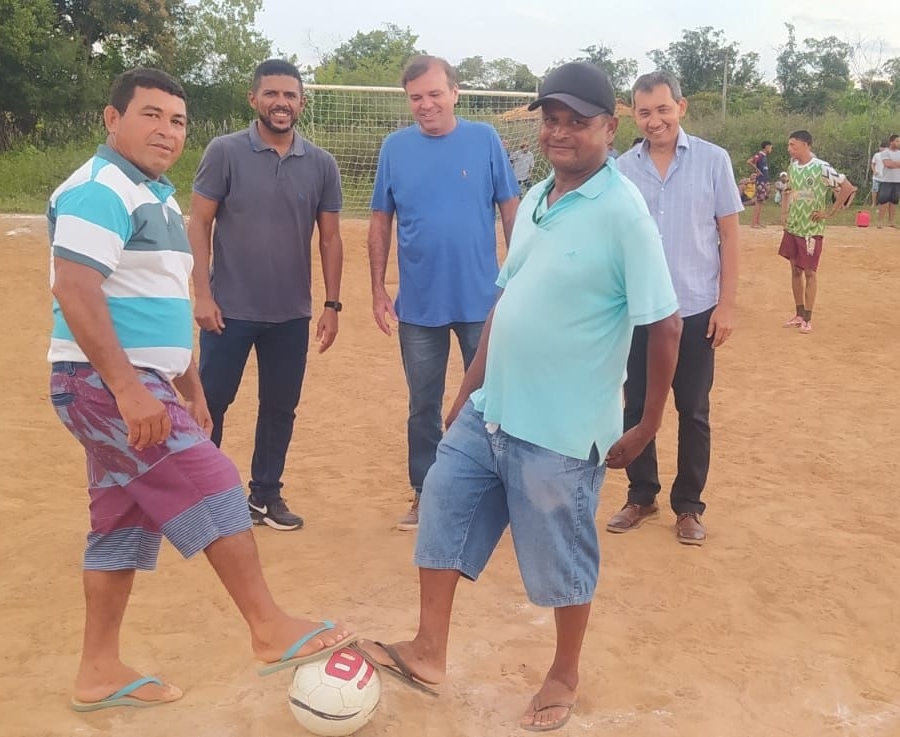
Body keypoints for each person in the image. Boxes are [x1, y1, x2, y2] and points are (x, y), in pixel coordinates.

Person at [353, 61, 683, 733]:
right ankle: (428, 649)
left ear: (609, 129)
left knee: (562, 557)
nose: (560, 132)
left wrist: (647, 424)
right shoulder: (537, 198)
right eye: (551, 119)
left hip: (562, 428)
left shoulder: (624, 212)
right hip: (492, 407)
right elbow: (506, 298)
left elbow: (665, 321)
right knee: (442, 503)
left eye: (577, 121)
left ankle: (564, 670)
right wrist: (468, 388)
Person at [46, 68, 354, 713]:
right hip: (105, 384)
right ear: (112, 118)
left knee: (122, 524)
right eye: (151, 115)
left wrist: (186, 380)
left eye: (177, 120)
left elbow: (152, 302)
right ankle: (268, 627)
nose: (166, 131)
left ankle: (98, 671)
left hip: (136, 381)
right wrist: (130, 390)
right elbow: (74, 292)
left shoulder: (153, 192)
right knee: (214, 482)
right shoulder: (98, 190)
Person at [187, 59, 345, 532]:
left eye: (290, 95)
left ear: (302, 102)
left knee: (280, 408)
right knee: (211, 403)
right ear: (253, 98)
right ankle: (202, 501)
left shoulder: (320, 163)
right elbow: (199, 222)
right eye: (272, 94)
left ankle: (265, 496)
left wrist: (332, 305)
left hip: (290, 313)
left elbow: (331, 239)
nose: (281, 103)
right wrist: (202, 294)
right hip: (229, 308)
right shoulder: (225, 151)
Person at [368, 55, 521, 532]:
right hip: (418, 306)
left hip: (483, 300)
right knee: (423, 405)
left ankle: (503, 492)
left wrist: (519, 275)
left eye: (435, 94)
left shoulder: (484, 139)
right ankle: (425, 492)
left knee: (494, 397)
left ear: (455, 92)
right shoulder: (394, 148)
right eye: (416, 97)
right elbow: (380, 220)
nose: (426, 104)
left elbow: (510, 206)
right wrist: (377, 287)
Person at [609, 71, 742, 546]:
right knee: (637, 404)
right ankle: (641, 495)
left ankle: (689, 506)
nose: (654, 120)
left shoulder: (713, 161)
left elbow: (728, 235)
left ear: (680, 108)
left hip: (696, 309)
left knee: (693, 409)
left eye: (663, 109)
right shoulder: (622, 169)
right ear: (634, 115)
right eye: (644, 112)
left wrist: (725, 306)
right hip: (640, 312)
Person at [777, 130, 856, 332]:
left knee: (810, 272)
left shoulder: (821, 168)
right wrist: (785, 212)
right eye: (789, 145)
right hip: (794, 226)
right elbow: (788, 190)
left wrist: (830, 212)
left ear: (806, 145)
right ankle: (798, 313)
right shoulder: (793, 167)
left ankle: (808, 318)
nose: (790, 149)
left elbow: (847, 187)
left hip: (811, 229)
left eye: (793, 145)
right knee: (795, 270)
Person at [871, 135, 900, 227]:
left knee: (894, 201)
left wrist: (895, 163)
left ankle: (891, 221)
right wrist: (899, 164)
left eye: (899, 141)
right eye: (896, 141)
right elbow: (888, 164)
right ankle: (880, 221)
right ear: (891, 142)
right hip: (886, 180)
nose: (898, 143)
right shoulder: (885, 152)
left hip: (897, 180)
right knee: (883, 201)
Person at [746, 141, 774, 227]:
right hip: (760, 181)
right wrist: (757, 170)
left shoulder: (764, 157)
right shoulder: (760, 155)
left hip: (764, 181)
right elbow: (749, 161)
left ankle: (758, 221)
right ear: (767, 147)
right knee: (758, 201)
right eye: (770, 147)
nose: (771, 149)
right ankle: (754, 223)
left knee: (761, 201)